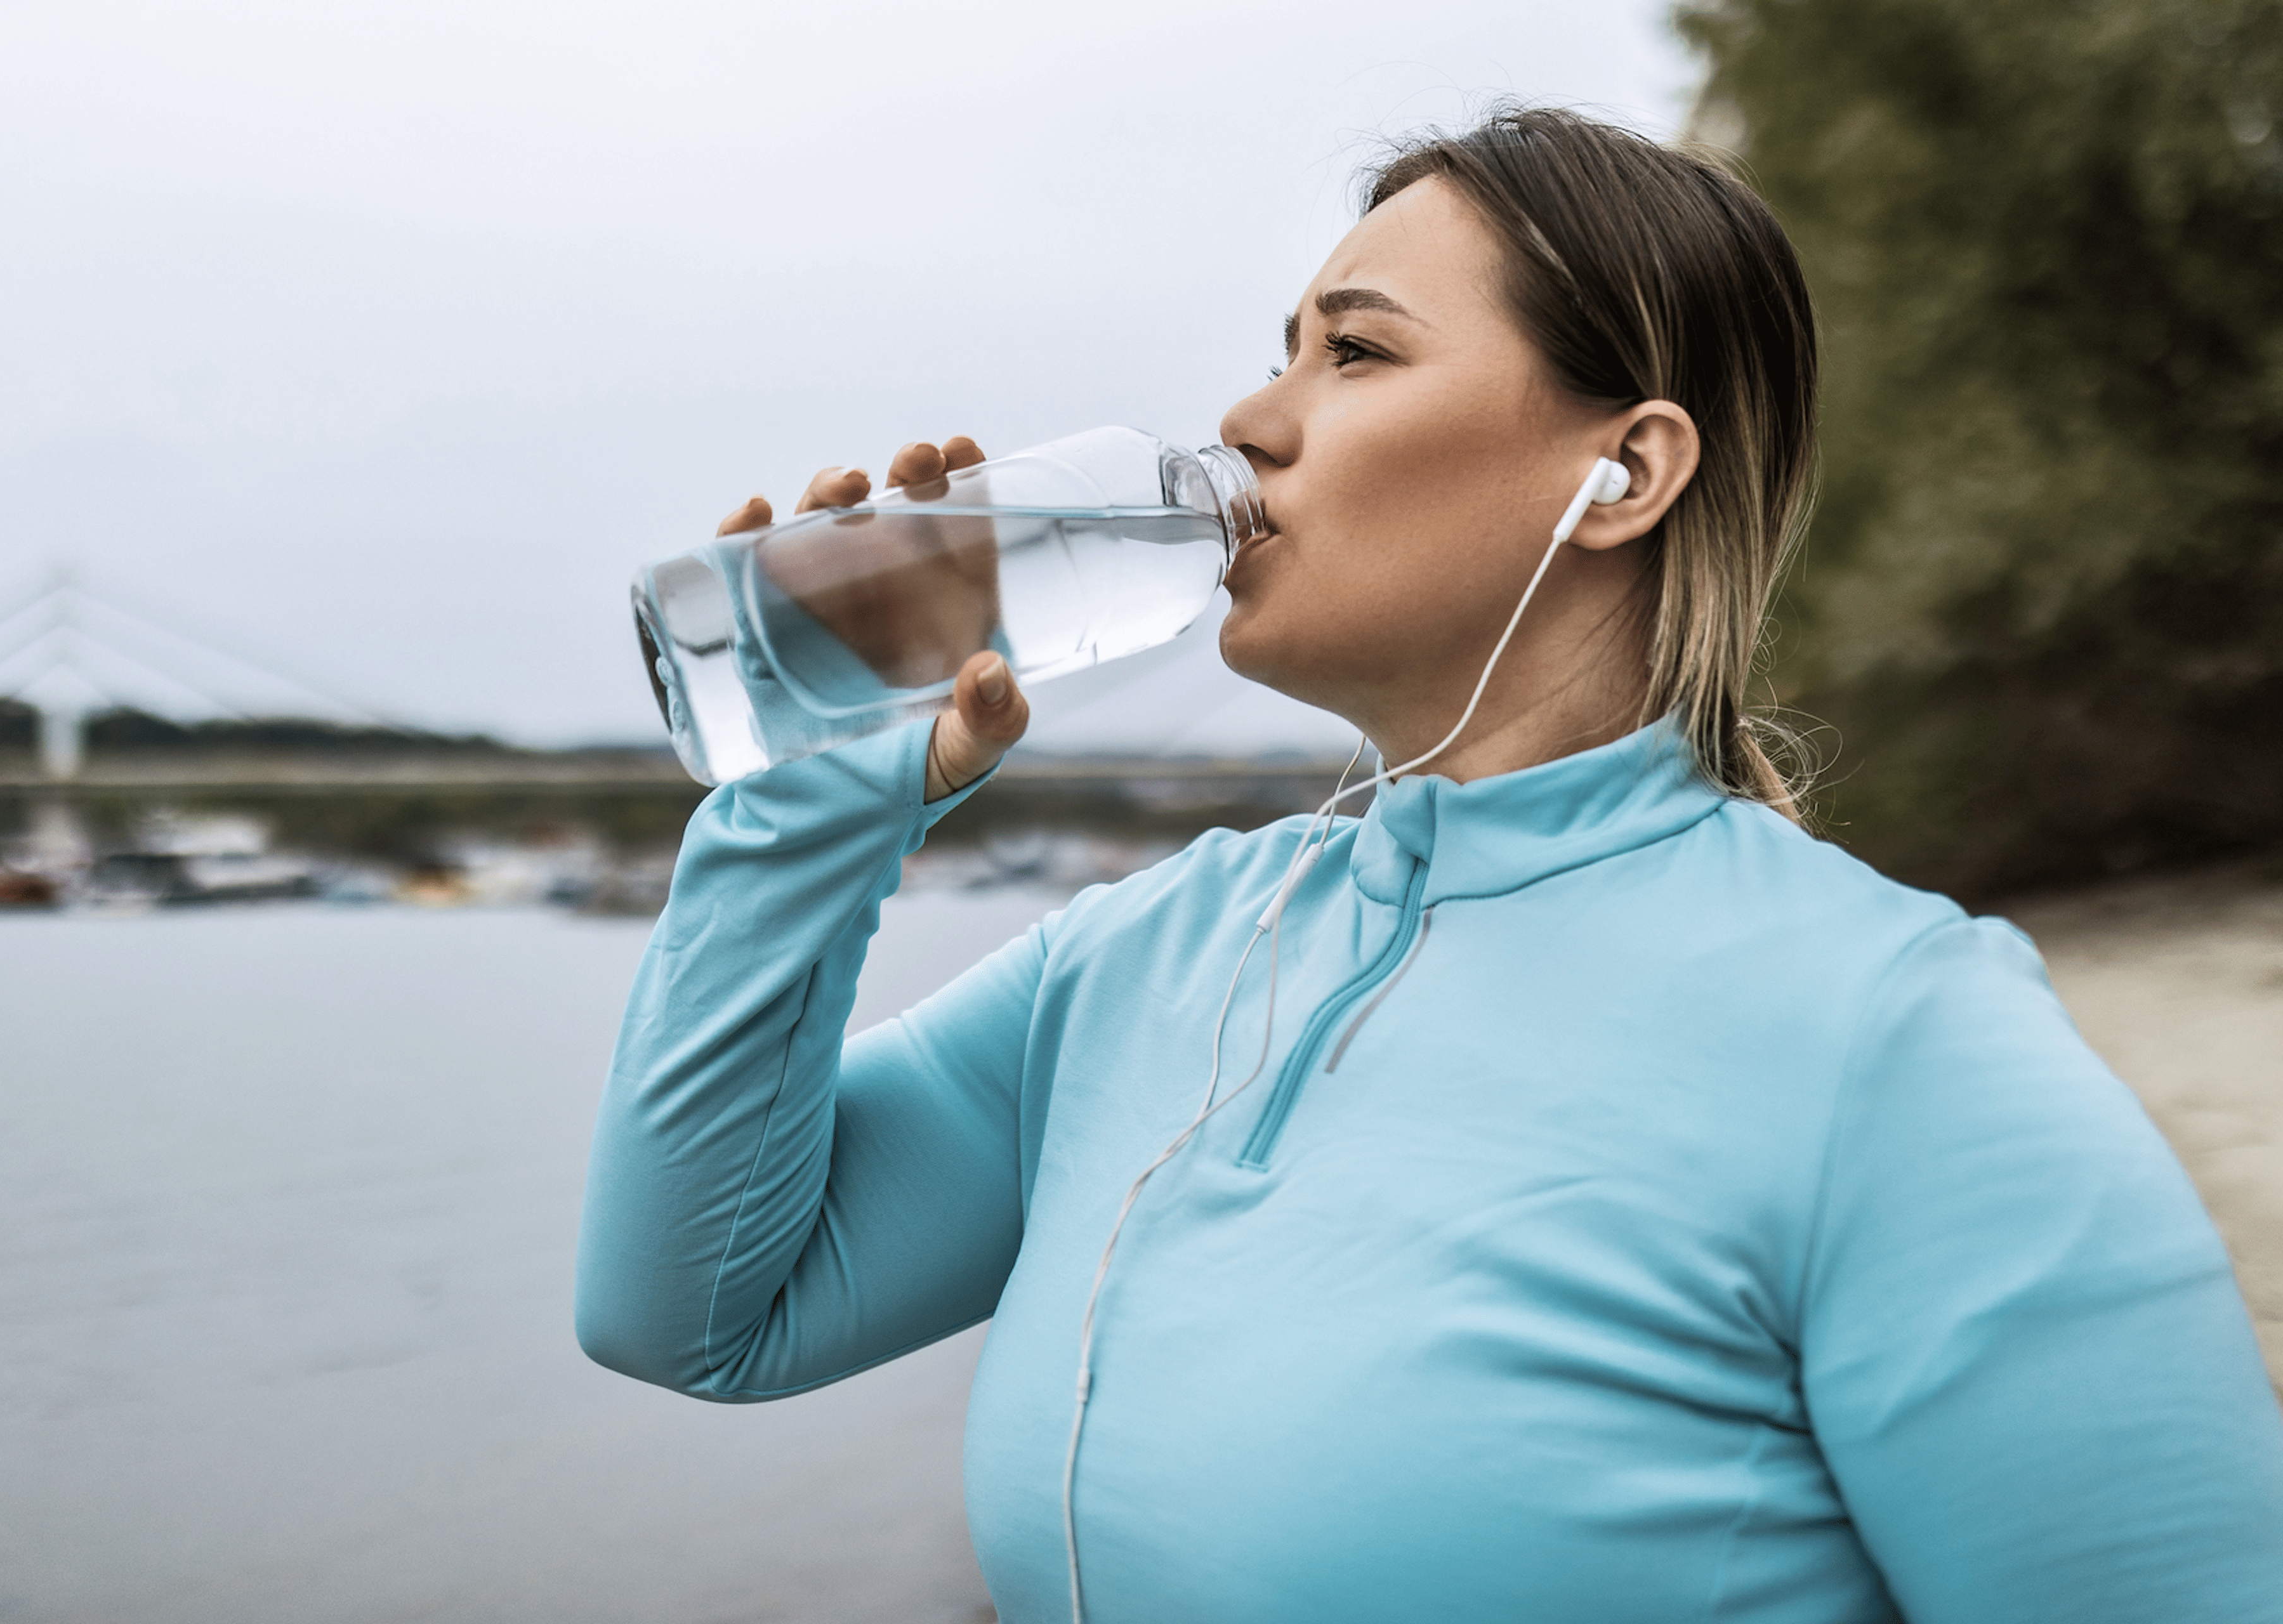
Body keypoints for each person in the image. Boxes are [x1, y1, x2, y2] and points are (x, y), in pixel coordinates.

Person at [574, 109, 2283, 1622]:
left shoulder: (1894, 1041)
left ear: (1622, 473)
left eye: (1357, 355)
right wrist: (805, 818)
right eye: (1279, 351)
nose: (1250, 418)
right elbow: (697, 1315)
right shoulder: (1150, 956)